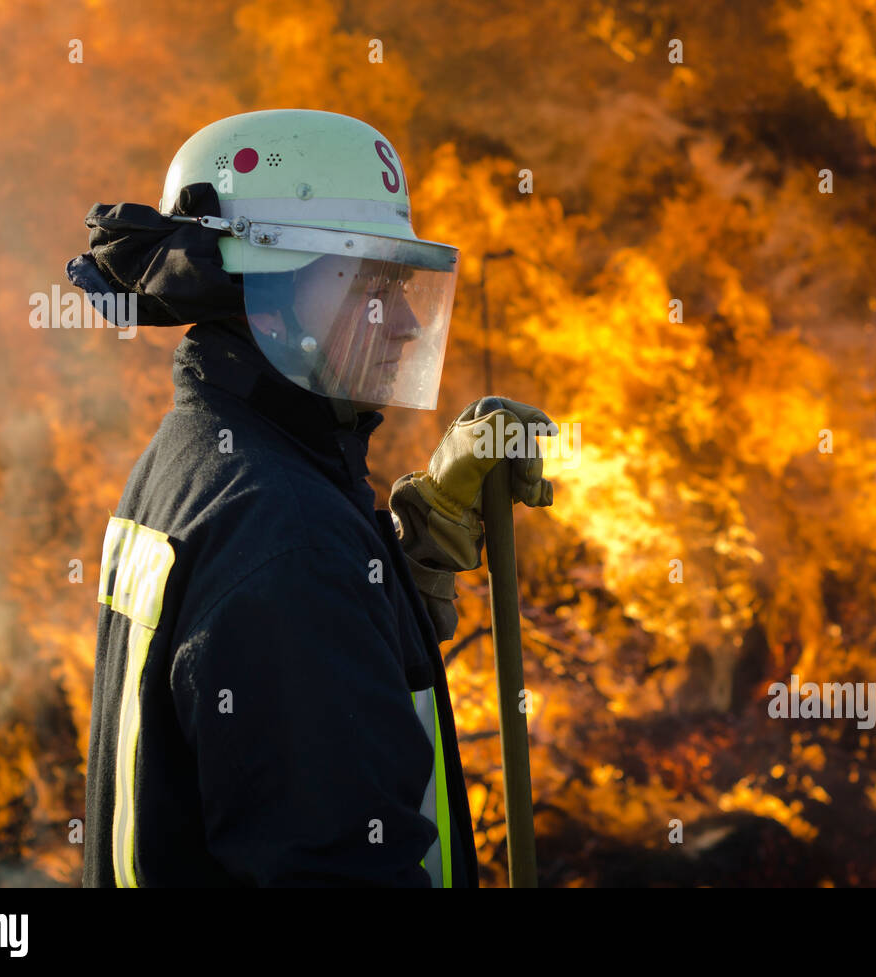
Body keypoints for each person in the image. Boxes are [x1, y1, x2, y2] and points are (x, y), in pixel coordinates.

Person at [67, 109, 553, 887]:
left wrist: (413, 554)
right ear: (265, 292)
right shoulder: (286, 538)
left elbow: (300, 660)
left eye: (403, 288)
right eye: (369, 286)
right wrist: (336, 557)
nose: (401, 325)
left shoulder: (196, 459)